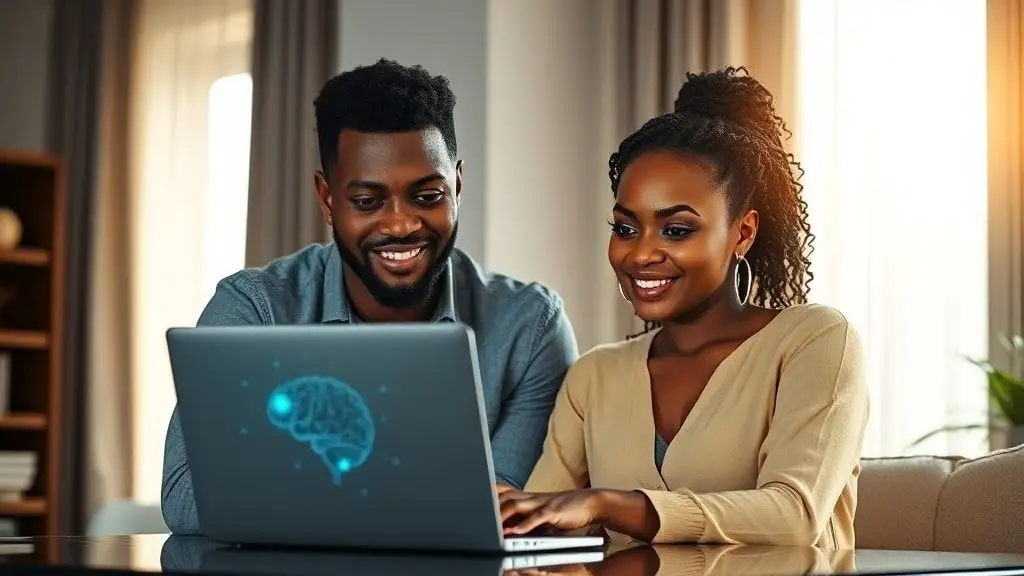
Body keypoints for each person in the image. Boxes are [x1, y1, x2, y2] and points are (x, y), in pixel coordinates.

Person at [160, 59, 578, 534]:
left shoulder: (530, 328)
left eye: (428, 196)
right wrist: (422, 499)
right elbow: (186, 499)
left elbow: (500, 515)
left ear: (457, 186)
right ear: (327, 199)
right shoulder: (254, 308)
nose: (401, 225)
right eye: (367, 202)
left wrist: (301, 495)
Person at [498, 67, 869, 548]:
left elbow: (794, 516)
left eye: (676, 230)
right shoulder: (594, 376)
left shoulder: (815, 340)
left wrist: (606, 504)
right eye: (626, 228)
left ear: (744, 232)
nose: (640, 254)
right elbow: (539, 525)